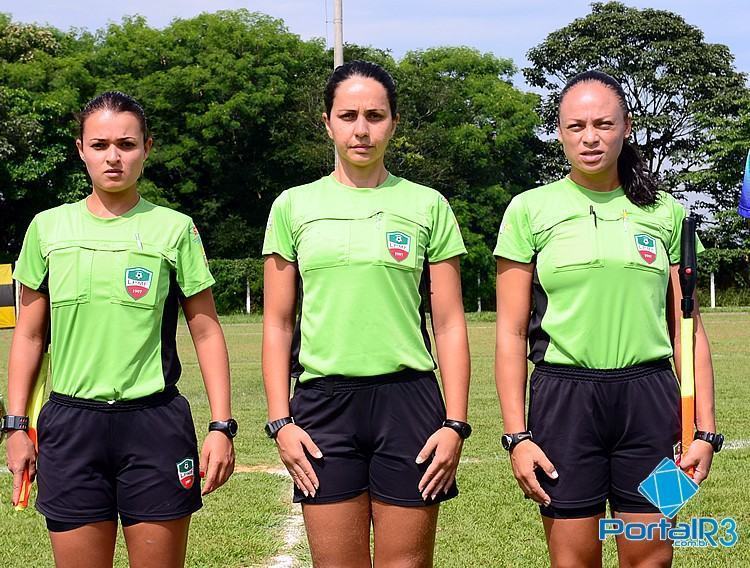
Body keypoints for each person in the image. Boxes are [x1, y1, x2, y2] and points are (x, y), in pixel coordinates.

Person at [494, 70, 721, 567]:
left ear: (626, 126)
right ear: (558, 130)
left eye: (603, 123)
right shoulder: (529, 210)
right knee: (573, 559)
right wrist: (517, 436)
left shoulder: (666, 214)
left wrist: (704, 430)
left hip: (653, 403)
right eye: (576, 126)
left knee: (652, 558)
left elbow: (689, 330)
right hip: (563, 404)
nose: (590, 137)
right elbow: (510, 335)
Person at [3, 91, 236, 568]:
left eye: (127, 144)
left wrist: (221, 426)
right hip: (70, 426)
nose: (114, 157)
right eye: (101, 144)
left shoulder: (174, 229)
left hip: (154, 424)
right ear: (81, 150)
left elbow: (207, 331)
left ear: (146, 148)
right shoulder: (47, 229)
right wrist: (15, 427)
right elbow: (27, 336)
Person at [262, 60, 471, 567]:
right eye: (348, 115)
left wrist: (456, 423)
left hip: (409, 403)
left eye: (375, 115)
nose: (361, 129)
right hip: (323, 406)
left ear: (394, 123)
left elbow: (449, 323)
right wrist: (279, 421)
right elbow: (277, 322)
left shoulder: (427, 205)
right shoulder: (293, 206)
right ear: (327, 123)